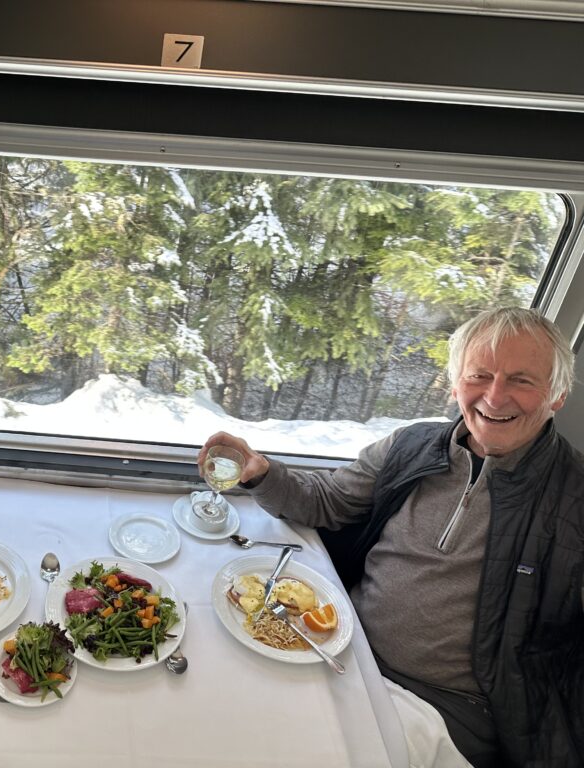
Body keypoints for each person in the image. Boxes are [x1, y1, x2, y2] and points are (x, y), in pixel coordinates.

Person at [200, 307, 583, 768]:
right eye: (479, 375)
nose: (495, 396)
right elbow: (327, 500)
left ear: (557, 395)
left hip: (447, 707)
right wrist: (261, 472)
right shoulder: (410, 447)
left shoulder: (574, 498)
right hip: (340, 648)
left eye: (521, 380)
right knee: (221, 711)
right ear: (456, 382)